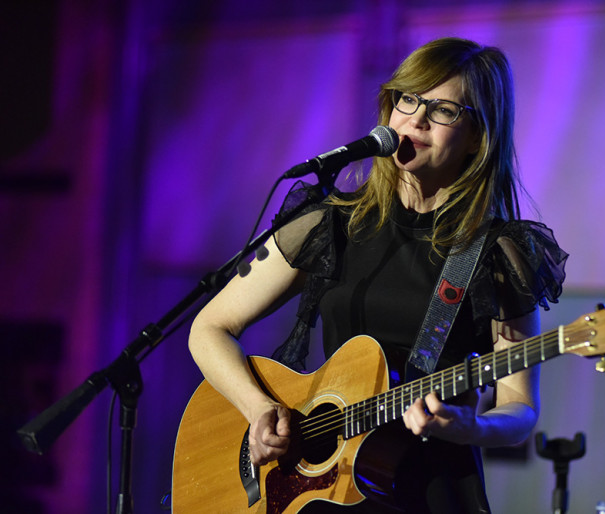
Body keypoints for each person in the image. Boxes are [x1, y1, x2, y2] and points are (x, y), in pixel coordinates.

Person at [188, 37, 567, 512]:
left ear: (477, 137)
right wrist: (259, 408)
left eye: (443, 109)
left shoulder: (496, 254)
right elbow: (209, 327)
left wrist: (467, 426)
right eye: (408, 99)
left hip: (430, 494)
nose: (417, 119)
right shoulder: (331, 225)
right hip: (324, 496)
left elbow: (520, 408)